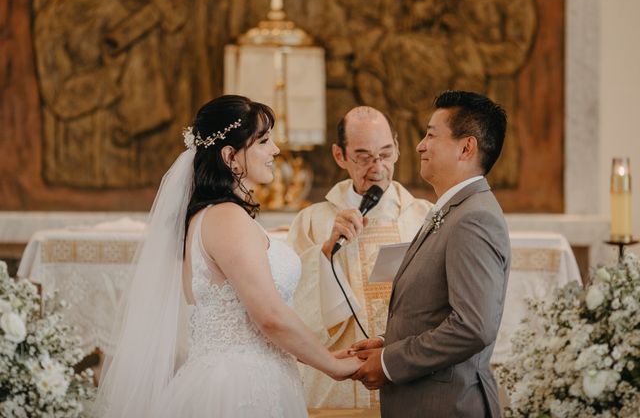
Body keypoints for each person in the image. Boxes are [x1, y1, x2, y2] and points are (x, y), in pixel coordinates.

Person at [94, 95, 361, 417]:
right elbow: (269, 316)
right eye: (263, 141)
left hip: (250, 374)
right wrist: (331, 365)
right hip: (238, 387)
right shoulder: (226, 218)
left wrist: (317, 353)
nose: (275, 149)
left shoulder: (215, 216)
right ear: (230, 156)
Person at [350, 90, 511, 418]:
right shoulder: (454, 209)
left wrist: (390, 363)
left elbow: (473, 326)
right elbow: (435, 311)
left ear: (466, 147)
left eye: (431, 134)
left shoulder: (473, 218)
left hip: (449, 405)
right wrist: (388, 343)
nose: (420, 145)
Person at [287, 106, 431, 408]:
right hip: (335, 389)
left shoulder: (425, 216)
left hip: (408, 380)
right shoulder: (312, 221)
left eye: (386, 154)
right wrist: (325, 253)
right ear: (340, 156)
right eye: (364, 157)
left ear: (398, 148)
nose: (377, 168)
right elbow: (293, 308)